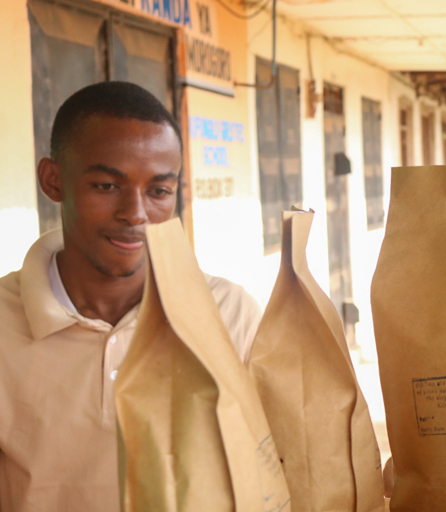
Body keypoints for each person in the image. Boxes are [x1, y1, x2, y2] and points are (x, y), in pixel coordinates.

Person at [0, 82, 262, 511]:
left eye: (159, 191)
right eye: (106, 186)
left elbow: (277, 464)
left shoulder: (229, 315)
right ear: (53, 180)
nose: (136, 213)